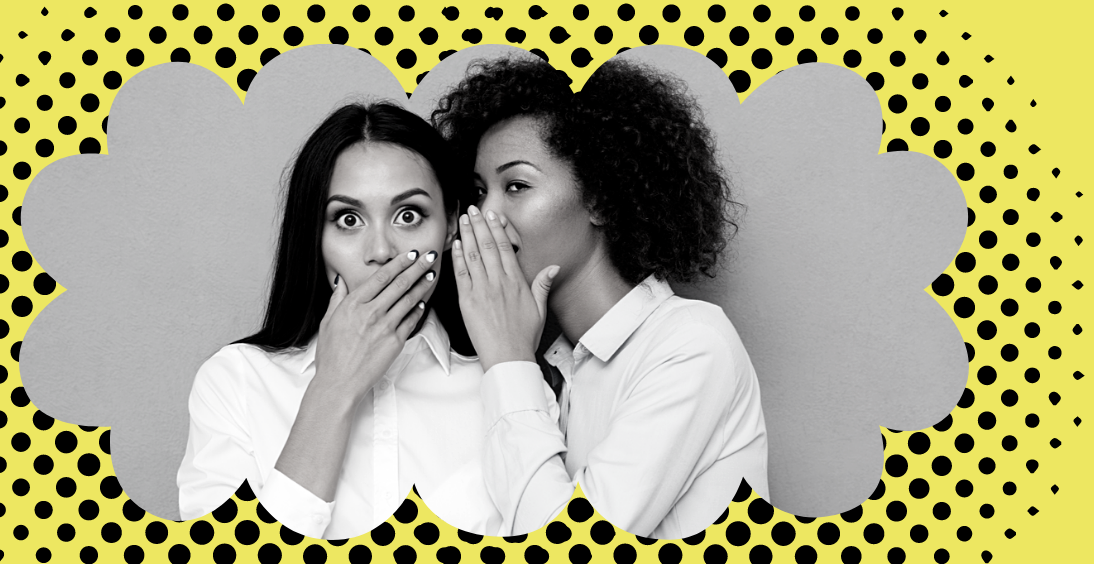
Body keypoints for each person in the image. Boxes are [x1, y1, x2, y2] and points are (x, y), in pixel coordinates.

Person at [432, 54, 770, 538]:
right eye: (481, 191)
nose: (486, 215)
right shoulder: (560, 369)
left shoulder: (691, 344)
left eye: (517, 185)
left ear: (599, 199)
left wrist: (506, 359)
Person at [175, 102, 550, 538]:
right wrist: (333, 390)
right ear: (315, 235)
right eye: (348, 219)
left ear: (449, 226)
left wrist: (512, 367)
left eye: (408, 216)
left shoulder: (509, 384)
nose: (381, 251)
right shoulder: (236, 381)